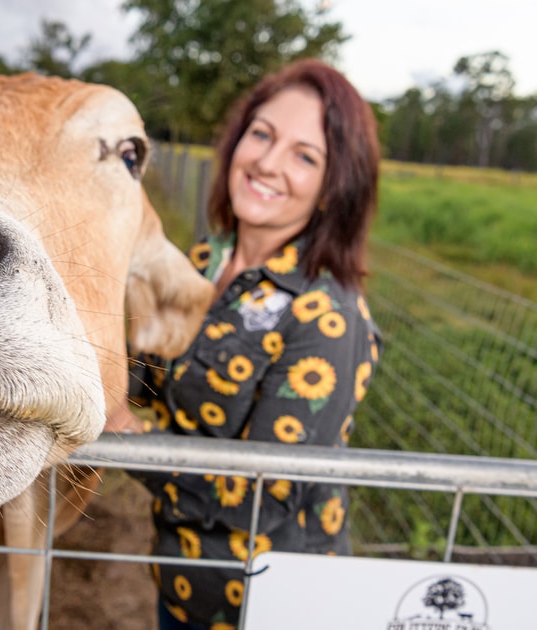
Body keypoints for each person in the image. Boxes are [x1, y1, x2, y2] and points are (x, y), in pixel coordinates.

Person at [124, 58, 384, 629]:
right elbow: (143, 380)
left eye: (304, 155)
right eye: (262, 134)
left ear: (333, 187)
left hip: (269, 609)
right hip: (181, 588)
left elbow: (258, 496)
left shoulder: (327, 318)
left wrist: (124, 436)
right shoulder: (202, 261)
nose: (267, 162)